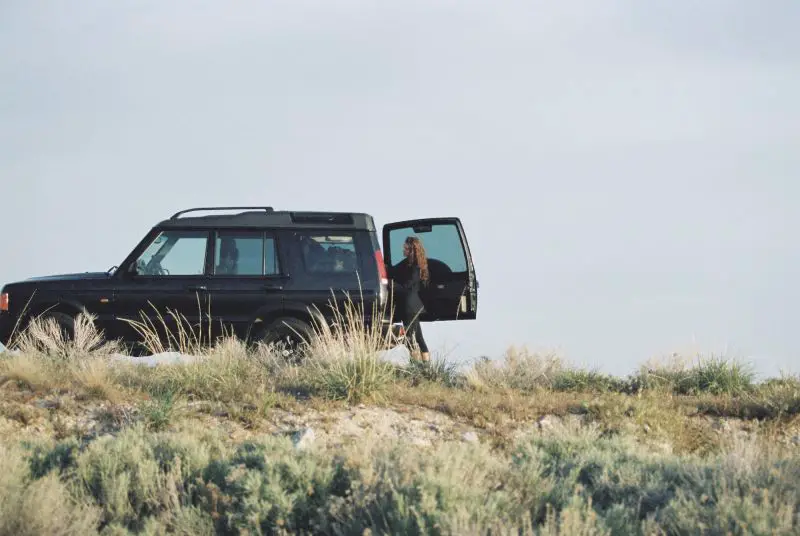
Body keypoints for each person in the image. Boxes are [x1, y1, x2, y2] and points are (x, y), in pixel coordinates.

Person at [392, 236, 430, 362]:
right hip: (413, 306)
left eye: (405, 247)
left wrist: (390, 284)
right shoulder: (408, 263)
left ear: (411, 249)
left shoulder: (415, 267)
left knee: (410, 337)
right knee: (418, 337)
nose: (403, 249)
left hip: (410, 307)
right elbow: (393, 270)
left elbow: (407, 286)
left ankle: (416, 365)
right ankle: (426, 367)